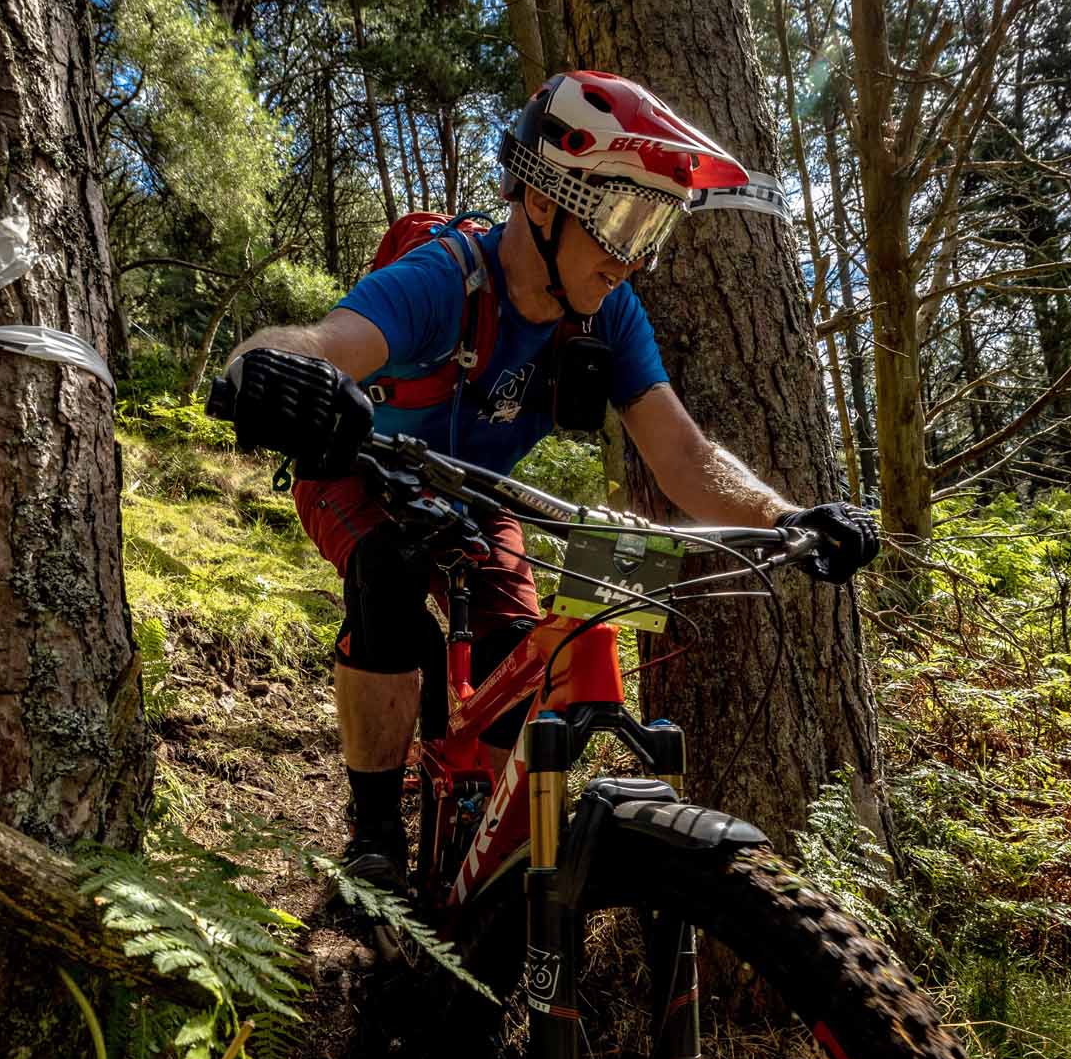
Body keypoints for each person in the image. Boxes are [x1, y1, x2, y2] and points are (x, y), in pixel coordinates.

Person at [218, 71, 878, 888]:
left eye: (655, 229)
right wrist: (265, 368)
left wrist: (787, 516)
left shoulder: (608, 314)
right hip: (356, 473)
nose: (634, 259)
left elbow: (683, 455)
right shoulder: (444, 278)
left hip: (476, 495)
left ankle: (486, 851)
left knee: (521, 643)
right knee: (386, 577)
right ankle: (375, 830)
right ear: (542, 200)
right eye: (625, 221)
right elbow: (322, 341)